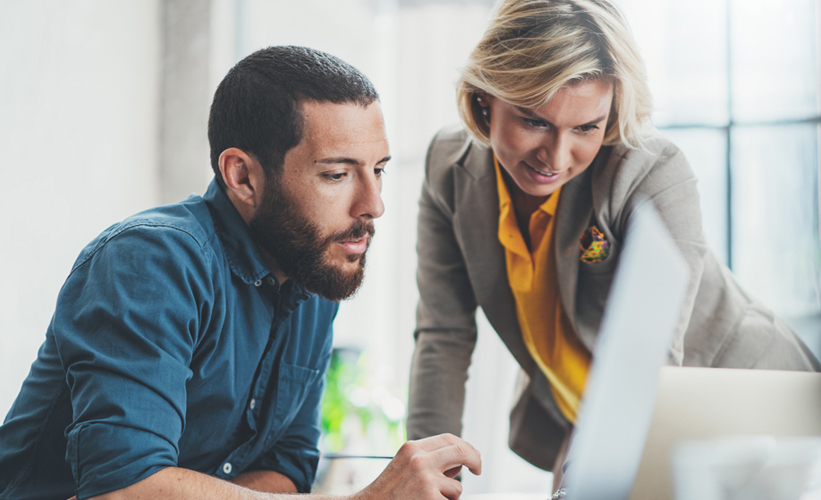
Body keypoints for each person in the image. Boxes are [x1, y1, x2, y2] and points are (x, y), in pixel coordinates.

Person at [0, 46, 480, 500]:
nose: (372, 204)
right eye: (336, 175)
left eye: (378, 170)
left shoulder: (311, 271)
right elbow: (127, 486)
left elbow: (289, 466)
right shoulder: (150, 262)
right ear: (242, 177)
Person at [405, 0, 819, 490]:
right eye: (533, 120)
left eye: (586, 127)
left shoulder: (651, 171)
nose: (556, 156)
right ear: (483, 99)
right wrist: (423, 481)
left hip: (744, 401)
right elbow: (443, 338)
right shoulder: (447, 168)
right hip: (588, 415)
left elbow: (648, 363)